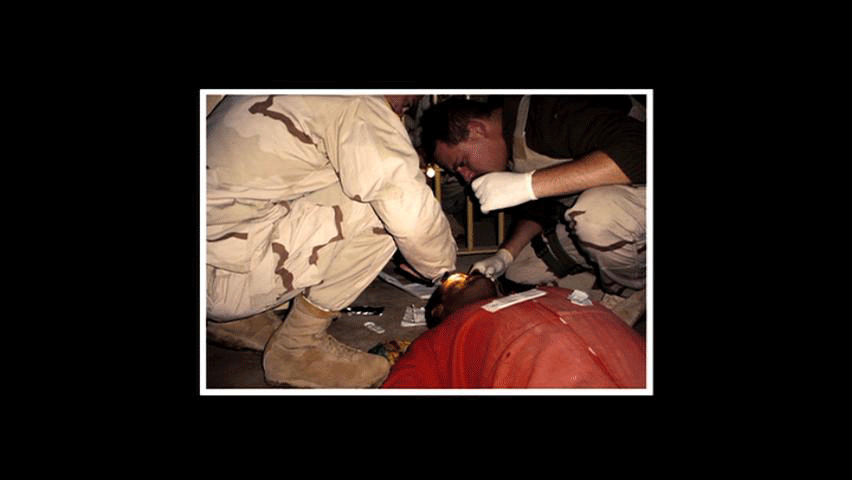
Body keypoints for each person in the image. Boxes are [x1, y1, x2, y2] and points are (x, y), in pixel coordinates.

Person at [206, 94, 457, 388]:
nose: (411, 103)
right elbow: (409, 212)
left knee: (347, 177)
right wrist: (445, 273)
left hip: (215, 256)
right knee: (385, 209)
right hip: (223, 277)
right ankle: (298, 348)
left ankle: (239, 321)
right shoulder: (359, 103)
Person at [420, 95, 646, 310]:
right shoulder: (511, 143)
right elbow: (542, 210)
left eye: (462, 163)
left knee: (595, 217)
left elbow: (641, 151)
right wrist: (504, 256)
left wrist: (530, 185)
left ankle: (632, 291)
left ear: (477, 129)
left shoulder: (551, 108)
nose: (466, 177)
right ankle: (615, 270)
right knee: (521, 273)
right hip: (620, 213)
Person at [381, 272, 646, 388]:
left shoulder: (551, 291)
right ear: (439, 310)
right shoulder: (439, 339)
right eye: (457, 281)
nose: (467, 274)